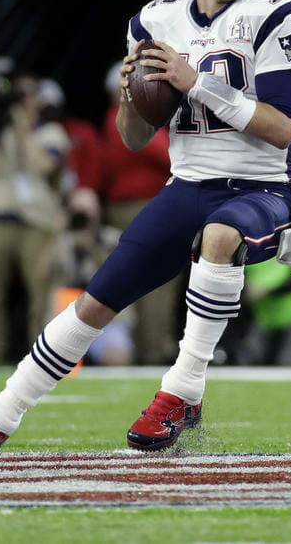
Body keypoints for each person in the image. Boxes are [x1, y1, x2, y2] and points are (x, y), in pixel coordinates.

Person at [0, 0, 291, 455]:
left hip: (264, 189)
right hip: (188, 186)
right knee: (96, 301)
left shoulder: (278, 11)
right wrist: (130, 97)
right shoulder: (154, 19)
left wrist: (196, 84)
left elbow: (284, 130)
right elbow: (135, 138)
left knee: (220, 237)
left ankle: (182, 390)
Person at [0, 75, 70, 364]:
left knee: (40, 289)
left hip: (37, 220)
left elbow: (43, 166)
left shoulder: (51, 132)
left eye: (29, 98)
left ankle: (41, 357)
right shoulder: (1, 130)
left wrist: (24, 130)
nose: (24, 104)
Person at [100, 62, 182, 365]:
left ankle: (142, 348)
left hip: (126, 208)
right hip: (147, 207)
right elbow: (170, 155)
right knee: (159, 280)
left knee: (136, 279)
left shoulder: (110, 120)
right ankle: (156, 349)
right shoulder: (129, 119)